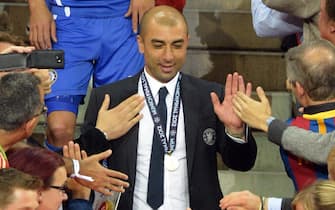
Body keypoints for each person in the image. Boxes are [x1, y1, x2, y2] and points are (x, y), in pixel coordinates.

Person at [76, 6, 257, 210]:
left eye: (177, 45)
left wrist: (236, 131)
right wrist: (102, 133)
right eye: (158, 45)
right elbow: (82, 165)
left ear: (187, 42)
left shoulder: (210, 97)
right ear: (141, 44)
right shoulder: (111, 97)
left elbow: (242, 163)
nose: (168, 56)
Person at [27, 0, 152, 150]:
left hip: (124, 17)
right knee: (59, 129)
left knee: (122, 122)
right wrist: (36, 5)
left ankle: (105, 172)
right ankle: (63, 172)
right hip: (66, 20)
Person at [0, 72, 144, 195]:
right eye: (43, 111)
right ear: (30, 124)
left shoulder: (10, 146)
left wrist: (77, 166)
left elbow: (27, 153)